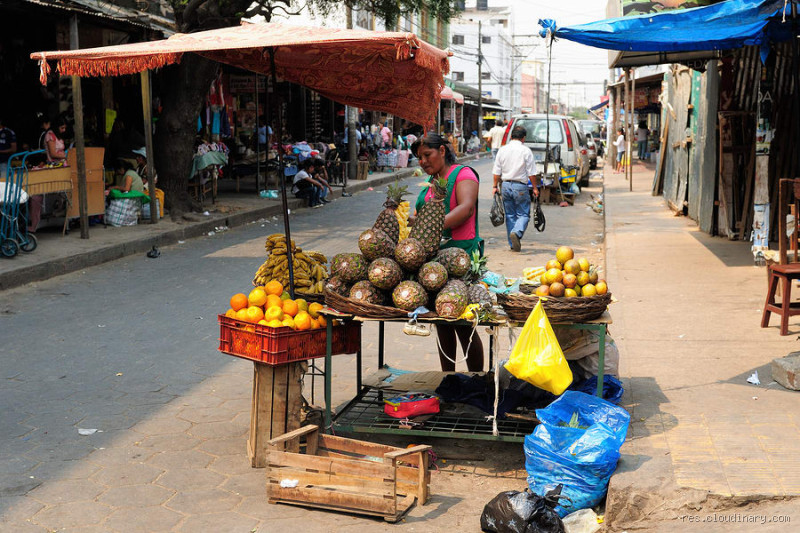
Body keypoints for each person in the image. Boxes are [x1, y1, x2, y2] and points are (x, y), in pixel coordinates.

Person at [410, 133, 483, 372]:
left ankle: (475, 378)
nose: (422, 161)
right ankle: (450, 378)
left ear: (442, 151)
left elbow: (465, 208)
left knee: (463, 323)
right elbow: (425, 215)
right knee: (442, 321)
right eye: (419, 157)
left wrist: (430, 224)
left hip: (460, 257)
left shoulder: (463, 174)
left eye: (427, 155)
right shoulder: (432, 182)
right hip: (433, 261)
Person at [492, 125, 538, 252]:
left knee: (510, 215)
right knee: (523, 214)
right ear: (523, 138)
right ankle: (517, 233)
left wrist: (494, 186)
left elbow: (496, 171)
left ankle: (512, 244)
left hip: (505, 185)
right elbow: (531, 173)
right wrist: (535, 188)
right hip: (520, 187)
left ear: (511, 137)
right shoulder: (526, 151)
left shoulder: (502, 150)